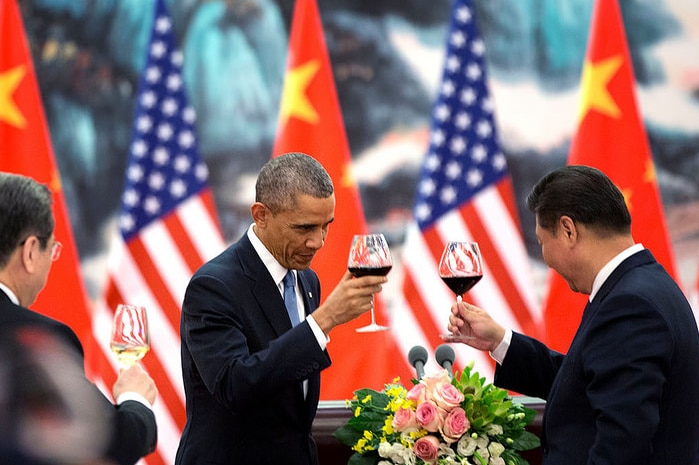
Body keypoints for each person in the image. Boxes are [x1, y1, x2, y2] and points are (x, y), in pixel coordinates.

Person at [446, 164, 699, 464]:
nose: (546, 259)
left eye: (542, 243)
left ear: (568, 230)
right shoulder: (642, 285)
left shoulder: (630, 305)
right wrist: (500, 341)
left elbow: (621, 447)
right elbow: (589, 383)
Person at [175, 152, 387, 465]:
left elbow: (292, 407)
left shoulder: (307, 280)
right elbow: (235, 385)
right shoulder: (213, 286)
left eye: (325, 226)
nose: (318, 242)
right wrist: (324, 321)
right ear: (260, 214)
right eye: (304, 228)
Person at [0, 172, 158, 465]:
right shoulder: (35, 337)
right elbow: (108, 444)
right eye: (52, 249)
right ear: (31, 251)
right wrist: (135, 400)